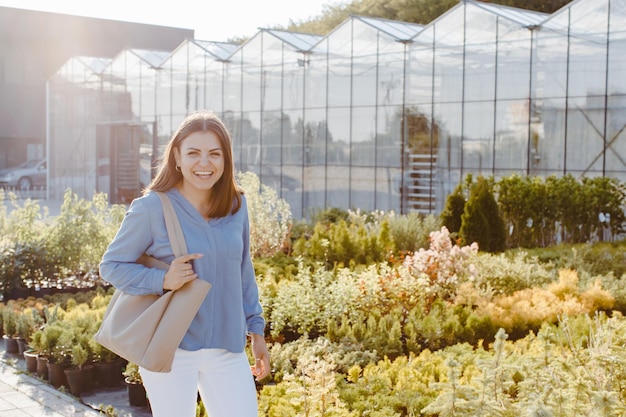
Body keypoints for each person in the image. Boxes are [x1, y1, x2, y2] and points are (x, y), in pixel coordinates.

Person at [99, 110, 270, 417]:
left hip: (227, 349)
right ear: (177, 156)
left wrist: (257, 331)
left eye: (214, 154)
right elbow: (112, 265)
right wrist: (162, 280)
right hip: (171, 347)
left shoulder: (237, 206)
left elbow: (244, 269)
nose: (204, 164)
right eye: (193, 153)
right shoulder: (152, 207)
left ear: (225, 159)